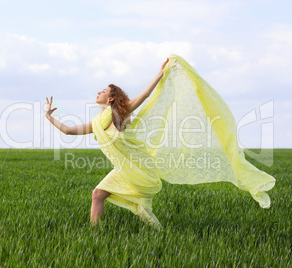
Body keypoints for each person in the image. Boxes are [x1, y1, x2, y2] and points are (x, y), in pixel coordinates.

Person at [45, 55, 276, 230]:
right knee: (103, 196)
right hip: (124, 170)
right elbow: (68, 130)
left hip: (140, 168)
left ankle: (156, 234)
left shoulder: (121, 114)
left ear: (112, 98)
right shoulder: (97, 123)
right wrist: (49, 116)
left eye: (103, 91)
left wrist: (160, 73)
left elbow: (144, 96)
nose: (98, 92)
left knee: (122, 202)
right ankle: (99, 235)